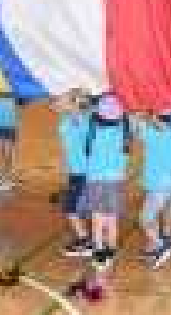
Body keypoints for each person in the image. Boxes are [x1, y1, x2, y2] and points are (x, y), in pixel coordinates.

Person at [136, 108, 171, 268]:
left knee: (145, 219)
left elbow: (137, 124)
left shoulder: (151, 135)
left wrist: (140, 113)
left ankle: (160, 245)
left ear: (156, 118)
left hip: (158, 186)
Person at [86, 93, 130, 271]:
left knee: (97, 218)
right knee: (112, 218)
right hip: (115, 181)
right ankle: (110, 250)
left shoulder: (92, 130)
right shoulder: (124, 131)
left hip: (96, 180)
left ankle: (99, 251)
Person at [53, 88, 93, 258]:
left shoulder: (79, 118)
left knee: (70, 208)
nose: (56, 101)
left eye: (61, 98)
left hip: (83, 172)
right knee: (77, 207)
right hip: (75, 171)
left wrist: (76, 95)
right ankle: (88, 239)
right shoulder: (68, 117)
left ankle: (85, 241)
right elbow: (53, 105)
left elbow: (80, 105)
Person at [0, 89, 20, 192]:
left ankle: (7, 176)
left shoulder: (13, 87)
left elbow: (20, 102)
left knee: (8, 152)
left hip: (10, 124)